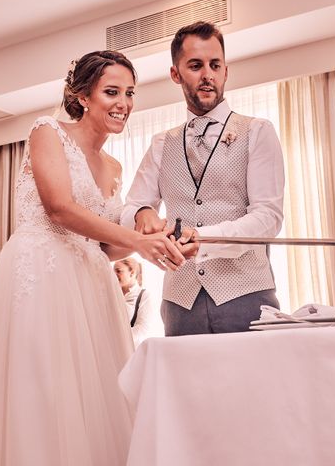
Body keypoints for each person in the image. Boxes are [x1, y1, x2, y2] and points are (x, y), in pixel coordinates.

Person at [0, 51, 190, 465]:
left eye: (129, 93)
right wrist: (137, 238)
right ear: (83, 96)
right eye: (111, 91)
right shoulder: (48, 132)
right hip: (42, 276)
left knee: (91, 401)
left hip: (90, 291)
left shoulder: (113, 166)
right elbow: (60, 208)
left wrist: (159, 239)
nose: (123, 103)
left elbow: (106, 247)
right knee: (41, 392)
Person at [121, 21, 285, 336]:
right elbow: (130, 208)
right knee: (185, 386)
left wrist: (204, 240)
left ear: (225, 71)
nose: (207, 74)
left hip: (246, 296)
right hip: (179, 303)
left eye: (215, 65)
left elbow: (268, 217)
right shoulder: (160, 143)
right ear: (176, 74)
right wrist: (143, 214)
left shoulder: (258, 131)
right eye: (195, 66)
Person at [114, 257, 162, 346]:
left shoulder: (144, 295)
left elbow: (143, 328)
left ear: (132, 273)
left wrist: (118, 340)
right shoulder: (112, 294)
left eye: (118, 271)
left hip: (130, 349)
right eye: (113, 271)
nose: (114, 274)